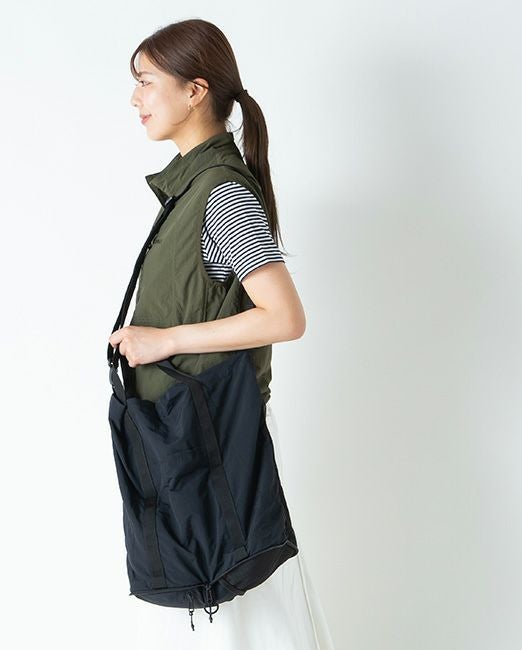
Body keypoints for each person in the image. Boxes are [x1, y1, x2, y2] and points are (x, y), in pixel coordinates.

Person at [108, 18, 336, 650]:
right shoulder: (192, 188)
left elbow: (284, 317)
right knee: (207, 607)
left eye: (146, 81)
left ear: (195, 90)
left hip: (216, 438)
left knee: (237, 611)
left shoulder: (222, 193)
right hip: (187, 436)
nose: (135, 98)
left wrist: (165, 340)